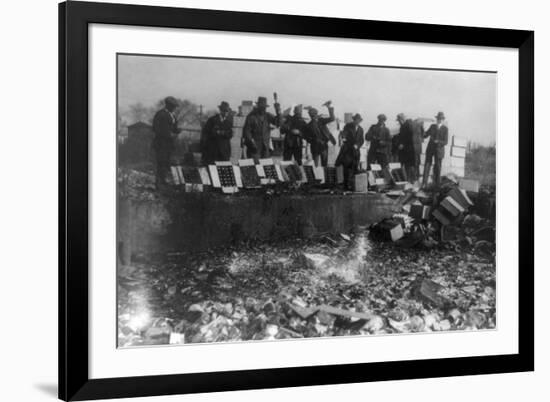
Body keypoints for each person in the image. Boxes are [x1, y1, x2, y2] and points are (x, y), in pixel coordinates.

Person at [151, 96, 181, 188]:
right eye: (173, 106)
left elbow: (174, 128)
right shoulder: (160, 114)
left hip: (169, 144)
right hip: (161, 143)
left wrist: (177, 131)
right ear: (168, 105)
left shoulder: (173, 116)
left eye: (175, 106)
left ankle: (163, 181)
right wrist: (168, 134)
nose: (174, 108)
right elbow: (155, 128)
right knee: (161, 162)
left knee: (167, 163)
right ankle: (159, 183)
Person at [242, 96, 281, 162]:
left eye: (264, 107)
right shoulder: (251, 116)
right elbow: (247, 132)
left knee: (265, 167)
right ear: (258, 106)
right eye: (262, 107)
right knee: (255, 167)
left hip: (265, 148)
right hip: (254, 148)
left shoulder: (267, 116)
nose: (263, 109)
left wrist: (278, 111)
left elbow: (278, 123)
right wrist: (251, 144)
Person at [335, 113, 364, 189]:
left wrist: (357, 145)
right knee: (346, 167)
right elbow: (344, 134)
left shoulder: (361, 129)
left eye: (358, 120)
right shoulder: (348, 126)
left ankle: (353, 184)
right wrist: (344, 139)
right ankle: (346, 185)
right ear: (354, 120)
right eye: (355, 120)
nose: (357, 121)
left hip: (356, 152)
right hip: (348, 150)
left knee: (355, 167)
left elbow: (361, 140)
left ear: (360, 121)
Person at [422, 111, 449, 188]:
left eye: (441, 119)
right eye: (438, 118)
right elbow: (425, 135)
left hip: (439, 150)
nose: (439, 120)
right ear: (437, 119)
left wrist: (438, 142)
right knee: (427, 165)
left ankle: (436, 184)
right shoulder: (432, 126)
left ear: (442, 120)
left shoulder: (445, 129)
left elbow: (446, 141)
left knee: (438, 167)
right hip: (430, 149)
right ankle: (424, 183)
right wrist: (422, 130)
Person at [305, 102, 336, 167]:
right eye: (312, 115)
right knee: (315, 166)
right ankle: (317, 176)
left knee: (324, 164)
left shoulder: (321, 121)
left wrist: (329, 107)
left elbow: (332, 118)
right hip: (315, 147)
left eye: (314, 115)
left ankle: (323, 176)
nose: (313, 117)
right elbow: (307, 137)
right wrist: (314, 141)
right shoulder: (308, 126)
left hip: (323, 146)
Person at [395, 113, 417, 183]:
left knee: (410, 166)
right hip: (404, 150)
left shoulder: (408, 125)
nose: (399, 122)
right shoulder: (402, 126)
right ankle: (408, 180)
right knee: (405, 166)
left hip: (409, 149)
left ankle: (412, 181)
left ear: (402, 119)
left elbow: (410, 136)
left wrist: (403, 144)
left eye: (399, 120)